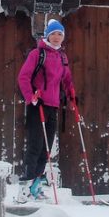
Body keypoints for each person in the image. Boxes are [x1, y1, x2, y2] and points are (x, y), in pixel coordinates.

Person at [16, 18, 75, 202]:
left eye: (60, 34)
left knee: (46, 149)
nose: (57, 37)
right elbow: (23, 77)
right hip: (38, 105)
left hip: (53, 106)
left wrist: (72, 96)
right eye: (54, 34)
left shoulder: (62, 58)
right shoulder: (37, 54)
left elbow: (67, 80)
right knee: (34, 146)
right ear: (47, 35)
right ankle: (23, 189)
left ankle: (36, 185)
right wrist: (30, 97)